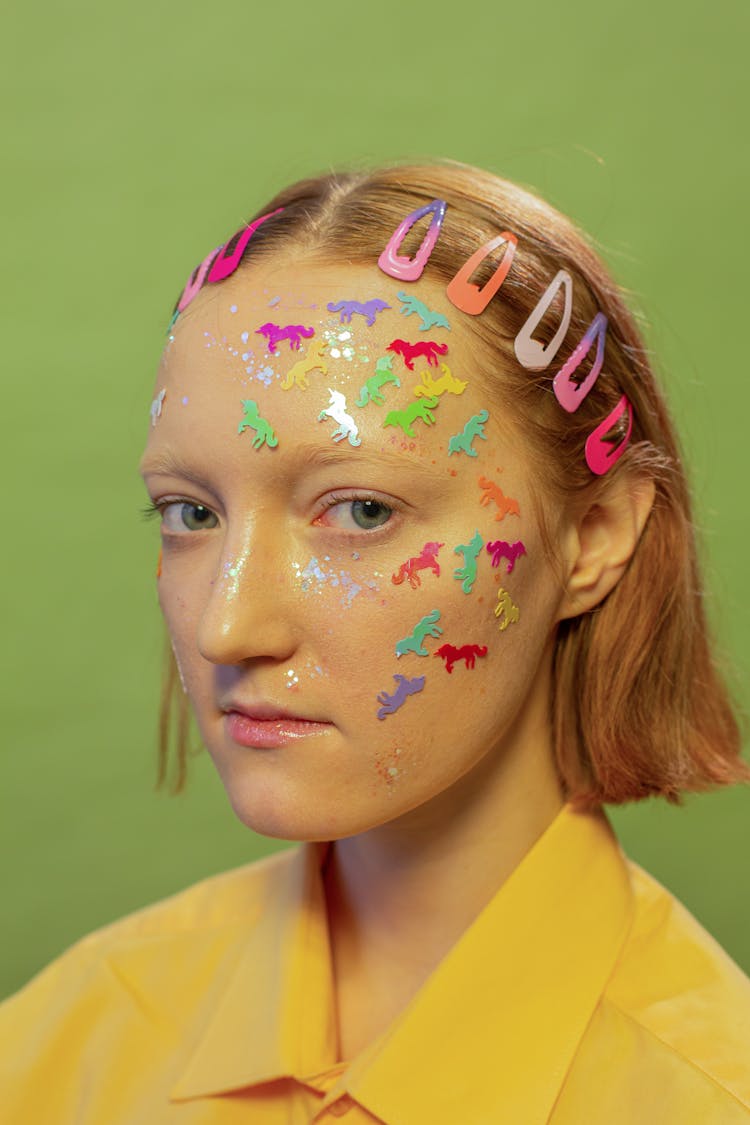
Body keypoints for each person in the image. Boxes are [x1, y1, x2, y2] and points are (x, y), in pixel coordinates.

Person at [2, 161, 749, 1123]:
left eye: (360, 509)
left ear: (594, 536)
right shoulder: (67, 1047)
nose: (230, 627)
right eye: (190, 511)